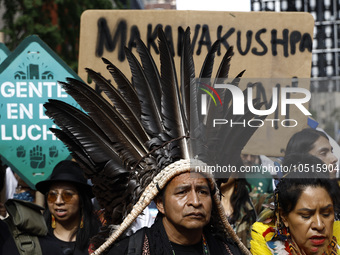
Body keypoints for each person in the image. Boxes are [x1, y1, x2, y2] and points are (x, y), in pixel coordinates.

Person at [250, 154, 340, 255]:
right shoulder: (265, 249)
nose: (319, 225)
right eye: (306, 215)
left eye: (326, 214)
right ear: (284, 217)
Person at [35, 160, 100, 255]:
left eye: (67, 195)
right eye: (52, 195)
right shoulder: (36, 240)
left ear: (82, 200)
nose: (58, 201)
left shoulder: (100, 239)